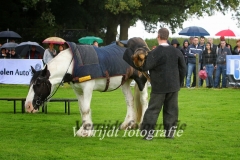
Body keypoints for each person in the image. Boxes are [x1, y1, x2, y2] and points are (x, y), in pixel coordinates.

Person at [123, 28, 186, 140]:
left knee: (153, 110)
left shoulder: (155, 52)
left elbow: (144, 67)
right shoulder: (177, 51)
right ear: (167, 37)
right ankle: (170, 133)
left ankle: (148, 134)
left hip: (159, 86)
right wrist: (178, 83)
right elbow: (183, 69)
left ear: (158, 37)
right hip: (173, 86)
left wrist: (129, 55)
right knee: (171, 110)